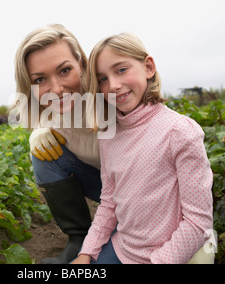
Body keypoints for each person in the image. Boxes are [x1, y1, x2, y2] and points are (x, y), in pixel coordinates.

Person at [71, 32, 215, 264]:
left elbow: (198, 222)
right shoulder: (109, 136)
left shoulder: (179, 131)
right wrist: (86, 253)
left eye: (121, 70)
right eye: (102, 79)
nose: (114, 85)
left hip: (170, 255)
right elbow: (109, 202)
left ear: (148, 67)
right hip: (123, 250)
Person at [10, 24, 102, 264]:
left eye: (64, 70)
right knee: (42, 150)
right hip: (107, 190)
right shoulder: (49, 111)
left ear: (81, 63)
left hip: (143, 191)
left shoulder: (110, 95)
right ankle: (78, 239)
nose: (56, 89)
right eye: (40, 79)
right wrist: (37, 132)